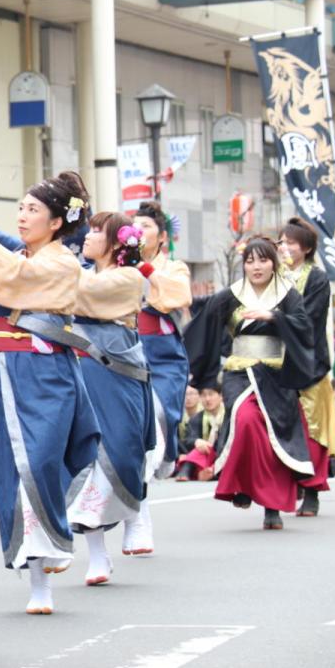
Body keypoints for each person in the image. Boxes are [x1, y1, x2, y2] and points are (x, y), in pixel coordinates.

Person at [0, 172, 100, 616]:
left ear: (57, 222)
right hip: (5, 367)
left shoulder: (60, 262)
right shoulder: (23, 253)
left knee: (40, 460)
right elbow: (3, 253)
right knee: (14, 468)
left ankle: (56, 542)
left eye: (33, 210)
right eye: (20, 208)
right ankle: (37, 578)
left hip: (45, 371)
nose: (22, 216)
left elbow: (15, 277)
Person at [184, 236, 318, 529]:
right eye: (250, 261)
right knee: (245, 423)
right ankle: (244, 485)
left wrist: (274, 317)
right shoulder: (232, 294)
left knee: (271, 439)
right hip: (240, 373)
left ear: (273, 262)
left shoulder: (287, 294)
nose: (256, 267)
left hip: (276, 375)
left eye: (263, 260)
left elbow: (304, 327)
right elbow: (204, 319)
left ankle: (272, 507)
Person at [65, 213, 153, 586]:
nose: (87, 235)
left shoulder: (129, 277)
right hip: (79, 370)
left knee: (123, 451)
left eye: (97, 230)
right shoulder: (77, 269)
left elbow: (83, 293)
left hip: (118, 372)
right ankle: (98, 556)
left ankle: (135, 515)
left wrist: (51, 264)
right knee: (85, 462)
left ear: (118, 242)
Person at [129, 201, 192, 555]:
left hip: (163, 354)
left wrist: (145, 268)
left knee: (162, 414)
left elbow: (176, 297)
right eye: (133, 225)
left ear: (162, 236)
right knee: (134, 434)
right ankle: (138, 511)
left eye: (146, 226)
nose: (139, 231)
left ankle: (167, 452)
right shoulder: (118, 264)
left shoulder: (174, 267)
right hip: (125, 351)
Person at [279, 217, 335, 516]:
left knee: (312, 428)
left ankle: (312, 490)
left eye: (291, 242)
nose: (285, 247)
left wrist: (275, 318)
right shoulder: (271, 274)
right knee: (283, 425)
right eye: (282, 242)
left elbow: (309, 319)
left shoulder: (317, 278)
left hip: (309, 362)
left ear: (307, 247)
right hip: (276, 360)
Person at [174, 385, 225, 481]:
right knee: (200, 448)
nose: (207, 399)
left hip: (222, 455)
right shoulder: (196, 418)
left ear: (220, 396)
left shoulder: (228, 417)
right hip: (203, 456)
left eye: (211, 394)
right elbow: (188, 439)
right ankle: (204, 472)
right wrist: (197, 441)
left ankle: (187, 470)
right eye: (204, 395)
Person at [177, 385, 200, 449]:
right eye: (185, 394)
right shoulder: (178, 417)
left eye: (191, 394)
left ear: (199, 395)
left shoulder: (204, 416)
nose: (188, 398)